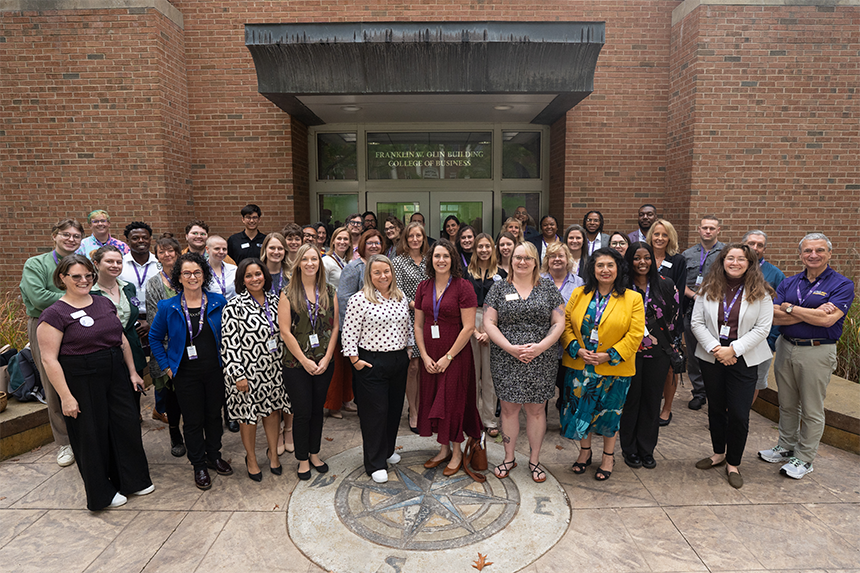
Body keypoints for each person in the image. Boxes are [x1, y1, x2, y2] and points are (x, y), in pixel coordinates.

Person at [37, 255, 153, 510]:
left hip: (116, 373)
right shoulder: (54, 314)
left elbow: (120, 339)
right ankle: (102, 493)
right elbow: (49, 360)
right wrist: (66, 397)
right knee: (91, 434)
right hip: (81, 379)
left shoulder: (103, 302)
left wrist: (133, 372)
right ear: (62, 279)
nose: (84, 280)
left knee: (126, 425)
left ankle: (133, 480)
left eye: (88, 275)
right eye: (76, 276)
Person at [760, 233, 855, 479]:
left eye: (820, 250)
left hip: (817, 350)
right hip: (786, 345)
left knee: (812, 408)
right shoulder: (790, 282)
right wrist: (811, 312)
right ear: (800, 254)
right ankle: (786, 445)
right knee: (788, 403)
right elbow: (772, 315)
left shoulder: (842, 284)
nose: (813, 255)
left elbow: (828, 320)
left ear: (829, 254)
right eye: (808, 250)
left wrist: (789, 308)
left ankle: (804, 457)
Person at [692, 244, 774, 488]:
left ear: (749, 263)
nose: (735, 262)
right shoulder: (707, 288)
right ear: (723, 261)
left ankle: (733, 462)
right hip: (712, 356)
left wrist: (734, 350)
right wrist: (717, 350)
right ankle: (718, 453)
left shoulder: (762, 292)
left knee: (738, 413)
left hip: (744, 358)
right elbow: (696, 323)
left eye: (741, 259)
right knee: (716, 409)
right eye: (730, 258)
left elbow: (763, 329)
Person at [149, 252, 233, 490]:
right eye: (187, 273)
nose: (192, 277)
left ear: (204, 275)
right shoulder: (168, 306)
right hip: (184, 373)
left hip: (215, 370)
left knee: (214, 416)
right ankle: (198, 464)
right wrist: (166, 366)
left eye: (197, 272)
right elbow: (155, 338)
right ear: (179, 277)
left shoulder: (218, 301)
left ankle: (214, 455)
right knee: (194, 420)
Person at [482, 242, 565, 482]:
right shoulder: (499, 289)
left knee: (536, 410)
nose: (522, 262)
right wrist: (509, 347)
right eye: (518, 257)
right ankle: (509, 457)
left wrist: (540, 347)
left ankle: (535, 459)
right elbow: (489, 322)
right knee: (508, 409)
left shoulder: (547, 288)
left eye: (528, 258)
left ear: (536, 262)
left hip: (542, 357)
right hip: (506, 358)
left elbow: (559, 322)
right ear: (510, 260)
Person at [561, 247, 645, 481]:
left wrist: (609, 355)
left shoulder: (633, 298)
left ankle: (608, 456)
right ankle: (584, 453)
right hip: (581, 364)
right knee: (581, 412)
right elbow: (566, 324)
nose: (605, 270)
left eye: (610, 265)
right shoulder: (579, 294)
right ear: (593, 269)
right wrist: (576, 349)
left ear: (618, 268)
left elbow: (635, 334)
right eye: (600, 265)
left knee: (610, 414)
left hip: (614, 368)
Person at [341, 254, 412, 484]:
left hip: (398, 360)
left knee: (393, 410)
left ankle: (388, 451)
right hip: (371, 362)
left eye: (387, 271)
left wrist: (409, 351)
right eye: (377, 272)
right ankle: (375, 462)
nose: (383, 276)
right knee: (375, 414)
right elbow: (349, 334)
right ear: (369, 276)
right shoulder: (359, 300)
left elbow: (408, 326)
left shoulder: (400, 297)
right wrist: (355, 361)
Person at [20, 218, 84, 467]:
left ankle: (85, 435)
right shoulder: (36, 264)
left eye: (76, 236)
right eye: (65, 234)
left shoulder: (82, 263)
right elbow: (38, 298)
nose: (71, 239)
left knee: (79, 378)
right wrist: (75, 296)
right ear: (54, 236)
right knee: (52, 383)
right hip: (45, 325)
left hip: (78, 324)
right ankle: (64, 442)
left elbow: (92, 288)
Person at [414, 240, 481, 477]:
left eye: (446, 256)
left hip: (455, 355)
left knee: (452, 401)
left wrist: (448, 356)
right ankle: (442, 450)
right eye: (436, 256)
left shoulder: (463, 287)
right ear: (430, 260)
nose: (441, 260)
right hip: (430, 355)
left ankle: (456, 452)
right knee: (435, 401)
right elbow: (418, 325)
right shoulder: (423, 286)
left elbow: (469, 327)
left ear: (453, 259)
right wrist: (423, 356)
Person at [222, 258, 289, 481]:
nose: (254, 279)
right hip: (246, 373)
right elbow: (229, 344)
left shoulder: (276, 301)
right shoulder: (233, 306)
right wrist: (237, 375)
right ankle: (251, 458)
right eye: (248, 276)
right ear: (242, 280)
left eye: (258, 274)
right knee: (248, 418)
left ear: (265, 276)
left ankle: (273, 455)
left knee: (272, 413)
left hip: (273, 370)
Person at [280, 244, 339, 480]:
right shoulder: (288, 293)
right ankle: (302, 459)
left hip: (324, 362)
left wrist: (326, 358)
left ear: (319, 263)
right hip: (297, 365)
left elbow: (335, 327)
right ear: (298, 263)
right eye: (305, 259)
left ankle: (315, 453)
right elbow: (285, 332)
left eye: (314, 259)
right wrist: (305, 361)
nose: (310, 263)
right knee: (302, 412)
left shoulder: (330, 291)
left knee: (317, 410)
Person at [619, 242, 679, 470]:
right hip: (628, 353)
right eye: (636, 258)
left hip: (658, 353)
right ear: (629, 261)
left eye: (646, 257)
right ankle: (629, 448)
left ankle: (646, 448)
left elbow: (674, 319)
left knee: (652, 401)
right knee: (631, 401)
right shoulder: (622, 286)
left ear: (653, 260)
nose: (642, 262)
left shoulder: (666, 285)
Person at [91, 245, 147, 411]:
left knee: (135, 394)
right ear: (96, 263)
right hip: (106, 350)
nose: (115, 265)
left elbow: (132, 313)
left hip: (133, 348)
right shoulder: (90, 293)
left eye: (119, 262)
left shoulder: (128, 287)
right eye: (109, 261)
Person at [146, 235, 186, 456]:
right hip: (166, 347)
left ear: (178, 252)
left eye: (171, 250)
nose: (167, 255)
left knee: (188, 395)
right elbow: (154, 320)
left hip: (190, 347)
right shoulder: (153, 283)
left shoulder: (186, 277)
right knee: (170, 397)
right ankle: (174, 435)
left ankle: (191, 433)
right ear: (157, 256)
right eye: (162, 252)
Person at [646, 219, 687, 426]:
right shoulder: (643, 257)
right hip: (644, 325)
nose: (660, 238)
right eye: (656, 234)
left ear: (670, 237)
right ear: (650, 236)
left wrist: (673, 326)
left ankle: (667, 408)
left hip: (669, 325)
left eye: (664, 234)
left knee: (670, 367)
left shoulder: (677, 261)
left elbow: (678, 293)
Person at [682, 216, 725, 410]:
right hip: (692, 307)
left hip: (719, 311)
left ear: (718, 230)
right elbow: (679, 282)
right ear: (698, 229)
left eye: (712, 228)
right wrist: (694, 296)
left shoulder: (727, 252)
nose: (708, 231)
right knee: (693, 353)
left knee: (716, 350)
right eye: (704, 228)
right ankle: (699, 392)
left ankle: (716, 393)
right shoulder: (687, 254)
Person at [466, 233, 505, 437]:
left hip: (494, 322)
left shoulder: (502, 274)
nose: (483, 250)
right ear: (475, 249)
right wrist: (473, 330)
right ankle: (472, 418)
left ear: (493, 248)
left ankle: (490, 420)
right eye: (479, 246)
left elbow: (505, 306)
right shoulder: (466, 273)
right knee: (472, 375)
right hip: (469, 321)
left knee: (489, 377)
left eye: (487, 246)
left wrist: (490, 332)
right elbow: (461, 303)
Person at [392, 222, 430, 432]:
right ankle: (413, 410)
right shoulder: (398, 262)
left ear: (424, 238)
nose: (415, 239)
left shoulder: (430, 261)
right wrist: (414, 304)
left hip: (430, 319)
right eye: (411, 236)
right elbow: (395, 290)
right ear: (405, 239)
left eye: (419, 236)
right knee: (413, 367)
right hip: (407, 318)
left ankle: (425, 408)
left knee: (427, 366)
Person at [259, 232, 294, 453]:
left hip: (289, 335)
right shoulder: (256, 272)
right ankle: (275, 432)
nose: (276, 252)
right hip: (264, 339)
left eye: (280, 248)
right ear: (265, 250)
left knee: (290, 385)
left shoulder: (291, 274)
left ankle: (289, 429)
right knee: (271, 387)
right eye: (272, 248)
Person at [540, 241, 585, 410]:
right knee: (543, 389)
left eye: (561, 255)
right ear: (547, 260)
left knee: (567, 386)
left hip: (569, 344)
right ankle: (540, 423)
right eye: (552, 256)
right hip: (544, 344)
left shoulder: (580, 283)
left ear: (568, 259)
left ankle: (565, 420)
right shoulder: (537, 282)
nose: (557, 259)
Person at [742, 230, 785, 404]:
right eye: (751, 243)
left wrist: (771, 341)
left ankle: (741, 417)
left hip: (761, 342)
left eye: (760, 245)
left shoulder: (775, 274)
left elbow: (779, 309)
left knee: (755, 382)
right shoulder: (731, 268)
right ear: (743, 244)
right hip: (731, 338)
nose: (755, 248)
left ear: (764, 249)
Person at [322, 226, 355, 420]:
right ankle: (333, 405)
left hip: (348, 317)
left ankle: (346, 400)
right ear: (333, 241)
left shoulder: (349, 262)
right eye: (339, 238)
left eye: (346, 239)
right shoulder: (326, 261)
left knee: (347, 361)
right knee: (335, 362)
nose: (342, 242)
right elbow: (322, 288)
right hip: (332, 316)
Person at [118, 221, 158, 346]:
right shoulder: (120, 264)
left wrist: (150, 322)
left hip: (157, 318)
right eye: (135, 238)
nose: (141, 241)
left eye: (145, 238)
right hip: (128, 321)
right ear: (127, 240)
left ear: (150, 239)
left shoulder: (159, 264)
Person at [336, 230, 385, 329]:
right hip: (357, 327)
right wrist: (354, 326)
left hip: (380, 326)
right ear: (363, 245)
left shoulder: (384, 266)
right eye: (369, 243)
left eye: (377, 243)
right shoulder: (353, 268)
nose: (374, 246)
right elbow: (344, 300)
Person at [205, 235, 238, 301]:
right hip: (210, 309)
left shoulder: (234, 269)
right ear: (207, 249)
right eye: (217, 248)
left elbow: (237, 293)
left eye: (224, 249)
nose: (221, 252)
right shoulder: (200, 270)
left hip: (231, 309)